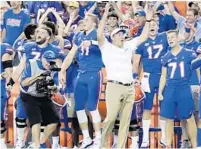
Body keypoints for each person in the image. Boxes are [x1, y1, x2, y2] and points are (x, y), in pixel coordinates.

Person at [97, 2, 152, 148]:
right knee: (111, 118)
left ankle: (121, 146)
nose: (122, 35)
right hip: (114, 86)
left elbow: (144, 37)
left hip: (129, 87)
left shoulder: (128, 46)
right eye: (119, 34)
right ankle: (102, 144)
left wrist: (148, 21)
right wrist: (105, 14)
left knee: (125, 120)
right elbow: (99, 34)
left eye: (123, 33)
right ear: (113, 37)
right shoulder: (106, 47)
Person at [60, 13, 103, 148]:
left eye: (87, 20)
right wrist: (62, 70)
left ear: (94, 23)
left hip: (94, 72)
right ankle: (86, 138)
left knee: (92, 107)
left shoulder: (98, 33)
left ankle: (98, 139)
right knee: (79, 108)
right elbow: (72, 53)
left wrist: (92, 42)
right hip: (81, 73)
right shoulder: (78, 35)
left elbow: (105, 44)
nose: (84, 22)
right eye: (84, 19)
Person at [133, 19, 169, 148]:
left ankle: (164, 137)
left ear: (158, 27)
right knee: (147, 108)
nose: (152, 26)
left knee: (164, 108)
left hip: (163, 76)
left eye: (155, 24)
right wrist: (135, 76)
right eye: (150, 24)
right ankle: (145, 139)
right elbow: (136, 62)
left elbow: (180, 38)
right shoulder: (141, 42)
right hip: (148, 77)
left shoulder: (164, 37)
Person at [158, 30, 197, 148]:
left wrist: (198, 84)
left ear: (177, 38)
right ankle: (168, 145)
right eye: (168, 38)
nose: (170, 39)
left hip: (184, 88)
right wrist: (160, 91)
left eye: (172, 37)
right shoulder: (166, 56)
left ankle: (196, 145)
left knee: (189, 118)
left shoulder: (189, 53)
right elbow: (163, 75)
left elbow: (197, 69)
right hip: (170, 89)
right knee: (169, 119)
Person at [20, 51, 60, 149]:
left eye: (51, 62)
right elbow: (24, 83)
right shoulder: (31, 64)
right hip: (29, 95)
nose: (48, 64)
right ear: (42, 59)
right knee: (36, 120)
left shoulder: (54, 69)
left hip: (43, 95)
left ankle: (40, 143)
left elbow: (56, 88)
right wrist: (38, 76)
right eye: (47, 61)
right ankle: (37, 146)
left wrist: (53, 87)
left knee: (54, 121)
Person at [0, 43, 14, 149]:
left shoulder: (3, 48)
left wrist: (9, 84)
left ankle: (1, 141)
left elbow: (8, 70)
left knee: (0, 117)